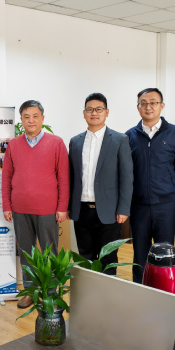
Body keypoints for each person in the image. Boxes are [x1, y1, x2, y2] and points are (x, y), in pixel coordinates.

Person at [2, 100, 69, 309]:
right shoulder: (14, 144)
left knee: (50, 253)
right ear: (21, 120)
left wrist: (62, 207)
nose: (31, 120)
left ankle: (51, 293)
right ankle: (31, 292)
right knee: (26, 253)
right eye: (26, 117)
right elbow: (6, 177)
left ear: (42, 118)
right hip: (20, 209)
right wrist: (6, 205)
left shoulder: (56, 143)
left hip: (48, 209)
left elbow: (64, 177)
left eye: (35, 116)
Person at [126, 88, 175, 284]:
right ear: (138, 107)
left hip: (166, 205)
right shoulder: (129, 136)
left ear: (162, 106)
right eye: (143, 103)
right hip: (138, 206)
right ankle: (140, 291)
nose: (148, 107)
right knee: (140, 254)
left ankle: (165, 291)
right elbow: (126, 172)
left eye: (153, 102)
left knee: (165, 253)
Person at [68, 93, 133, 274]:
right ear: (84, 113)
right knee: (85, 257)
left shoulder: (120, 140)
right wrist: (69, 206)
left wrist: (123, 209)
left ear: (107, 112)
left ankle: (106, 292)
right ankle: (89, 292)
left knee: (108, 260)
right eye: (90, 109)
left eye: (99, 109)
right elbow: (71, 176)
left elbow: (126, 177)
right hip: (81, 211)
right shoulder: (75, 141)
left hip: (109, 211)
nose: (94, 113)